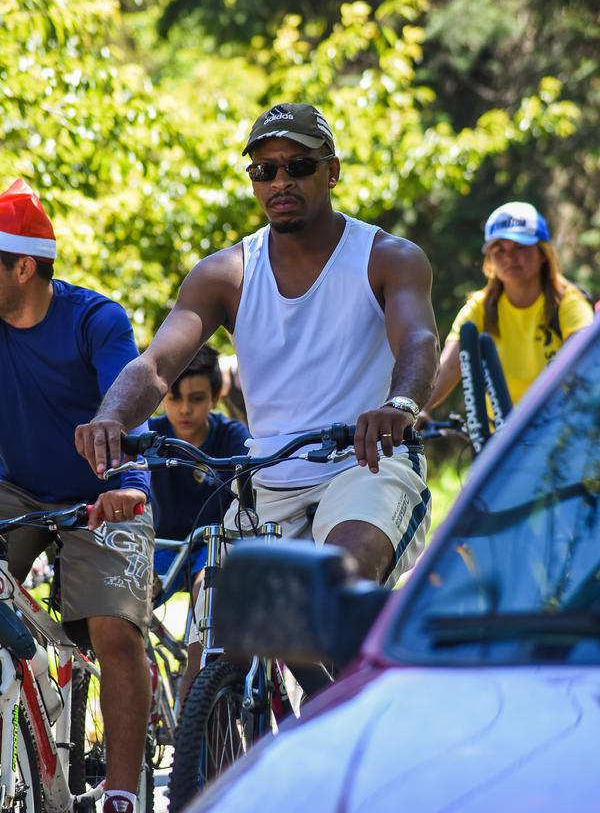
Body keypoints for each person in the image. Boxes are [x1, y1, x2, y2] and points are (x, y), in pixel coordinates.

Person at [76, 101, 439, 616]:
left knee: (336, 590)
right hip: (266, 482)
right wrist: (110, 417)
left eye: (298, 166)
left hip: (368, 465)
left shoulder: (387, 257)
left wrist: (399, 405)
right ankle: (284, 696)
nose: (279, 182)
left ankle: (351, 692)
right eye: (263, 170)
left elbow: (420, 339)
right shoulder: (225, 273)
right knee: (212, 640)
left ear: (331, 171)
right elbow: (156, 366)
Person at [0, 179, 154, 813]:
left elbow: (127, 400)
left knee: (115, 629)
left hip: (107, 494)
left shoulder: (95, 321)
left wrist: (124, 482)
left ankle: (120, 801)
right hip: (17, 491)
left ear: (23, 266)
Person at [417, 201, 595, 424]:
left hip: (557, 435)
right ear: (489, 259)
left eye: (520, 247)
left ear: (543, 254)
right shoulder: (480, 307)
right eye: (499, 249)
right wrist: (417, 409)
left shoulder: (568, 303)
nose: (509, 257)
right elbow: (450, 366)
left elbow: (589, 365)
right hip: (500, 441)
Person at [149, 344, 249, 700]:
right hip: (163, 547)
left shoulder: (232, 437)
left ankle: (202, 698)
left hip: (213, 543)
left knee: (207, 608)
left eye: (197, 398)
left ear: (217, 396)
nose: (185, 409)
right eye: (174, 398)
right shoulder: (148, 435)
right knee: (131, 602)